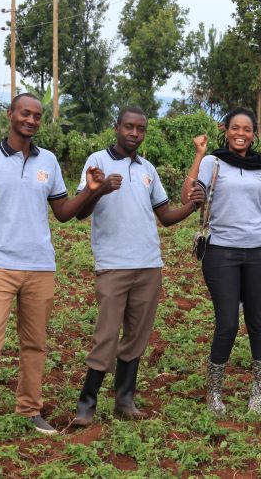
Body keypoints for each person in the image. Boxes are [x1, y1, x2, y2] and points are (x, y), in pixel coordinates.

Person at [0, 93, 107, 438]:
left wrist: (92, 191)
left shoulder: (47, 160)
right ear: (10, 115)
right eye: (25, 113)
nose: (31, 120)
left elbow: (63, 213)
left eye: (37, 115)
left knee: (34, 344)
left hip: (40, 265)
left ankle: (30, 410)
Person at [71, 107, 205, 426]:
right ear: (116, 127)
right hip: (113, 265)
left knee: (136, 336)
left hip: (148, 263)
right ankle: (86, 404)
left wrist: (191, 205)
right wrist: (98, 189)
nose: (134, 133)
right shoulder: (97, 161)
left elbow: (165, 217)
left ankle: (124, 399)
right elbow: (79, 212)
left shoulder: (148, 169)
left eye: (140, 129)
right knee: (106, 335)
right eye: (129, 127)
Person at [182, 108, 261, 415]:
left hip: (260, 253)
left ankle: (259, 394)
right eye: (235, 127)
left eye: (247, 129)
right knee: (227, 323)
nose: (240, 133)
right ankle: (214, 394)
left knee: (258, 323)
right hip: (221, 253)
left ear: (254, 134)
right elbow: (188, 197)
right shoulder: (213, 162)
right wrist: (198, 155)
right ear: (226, 131)